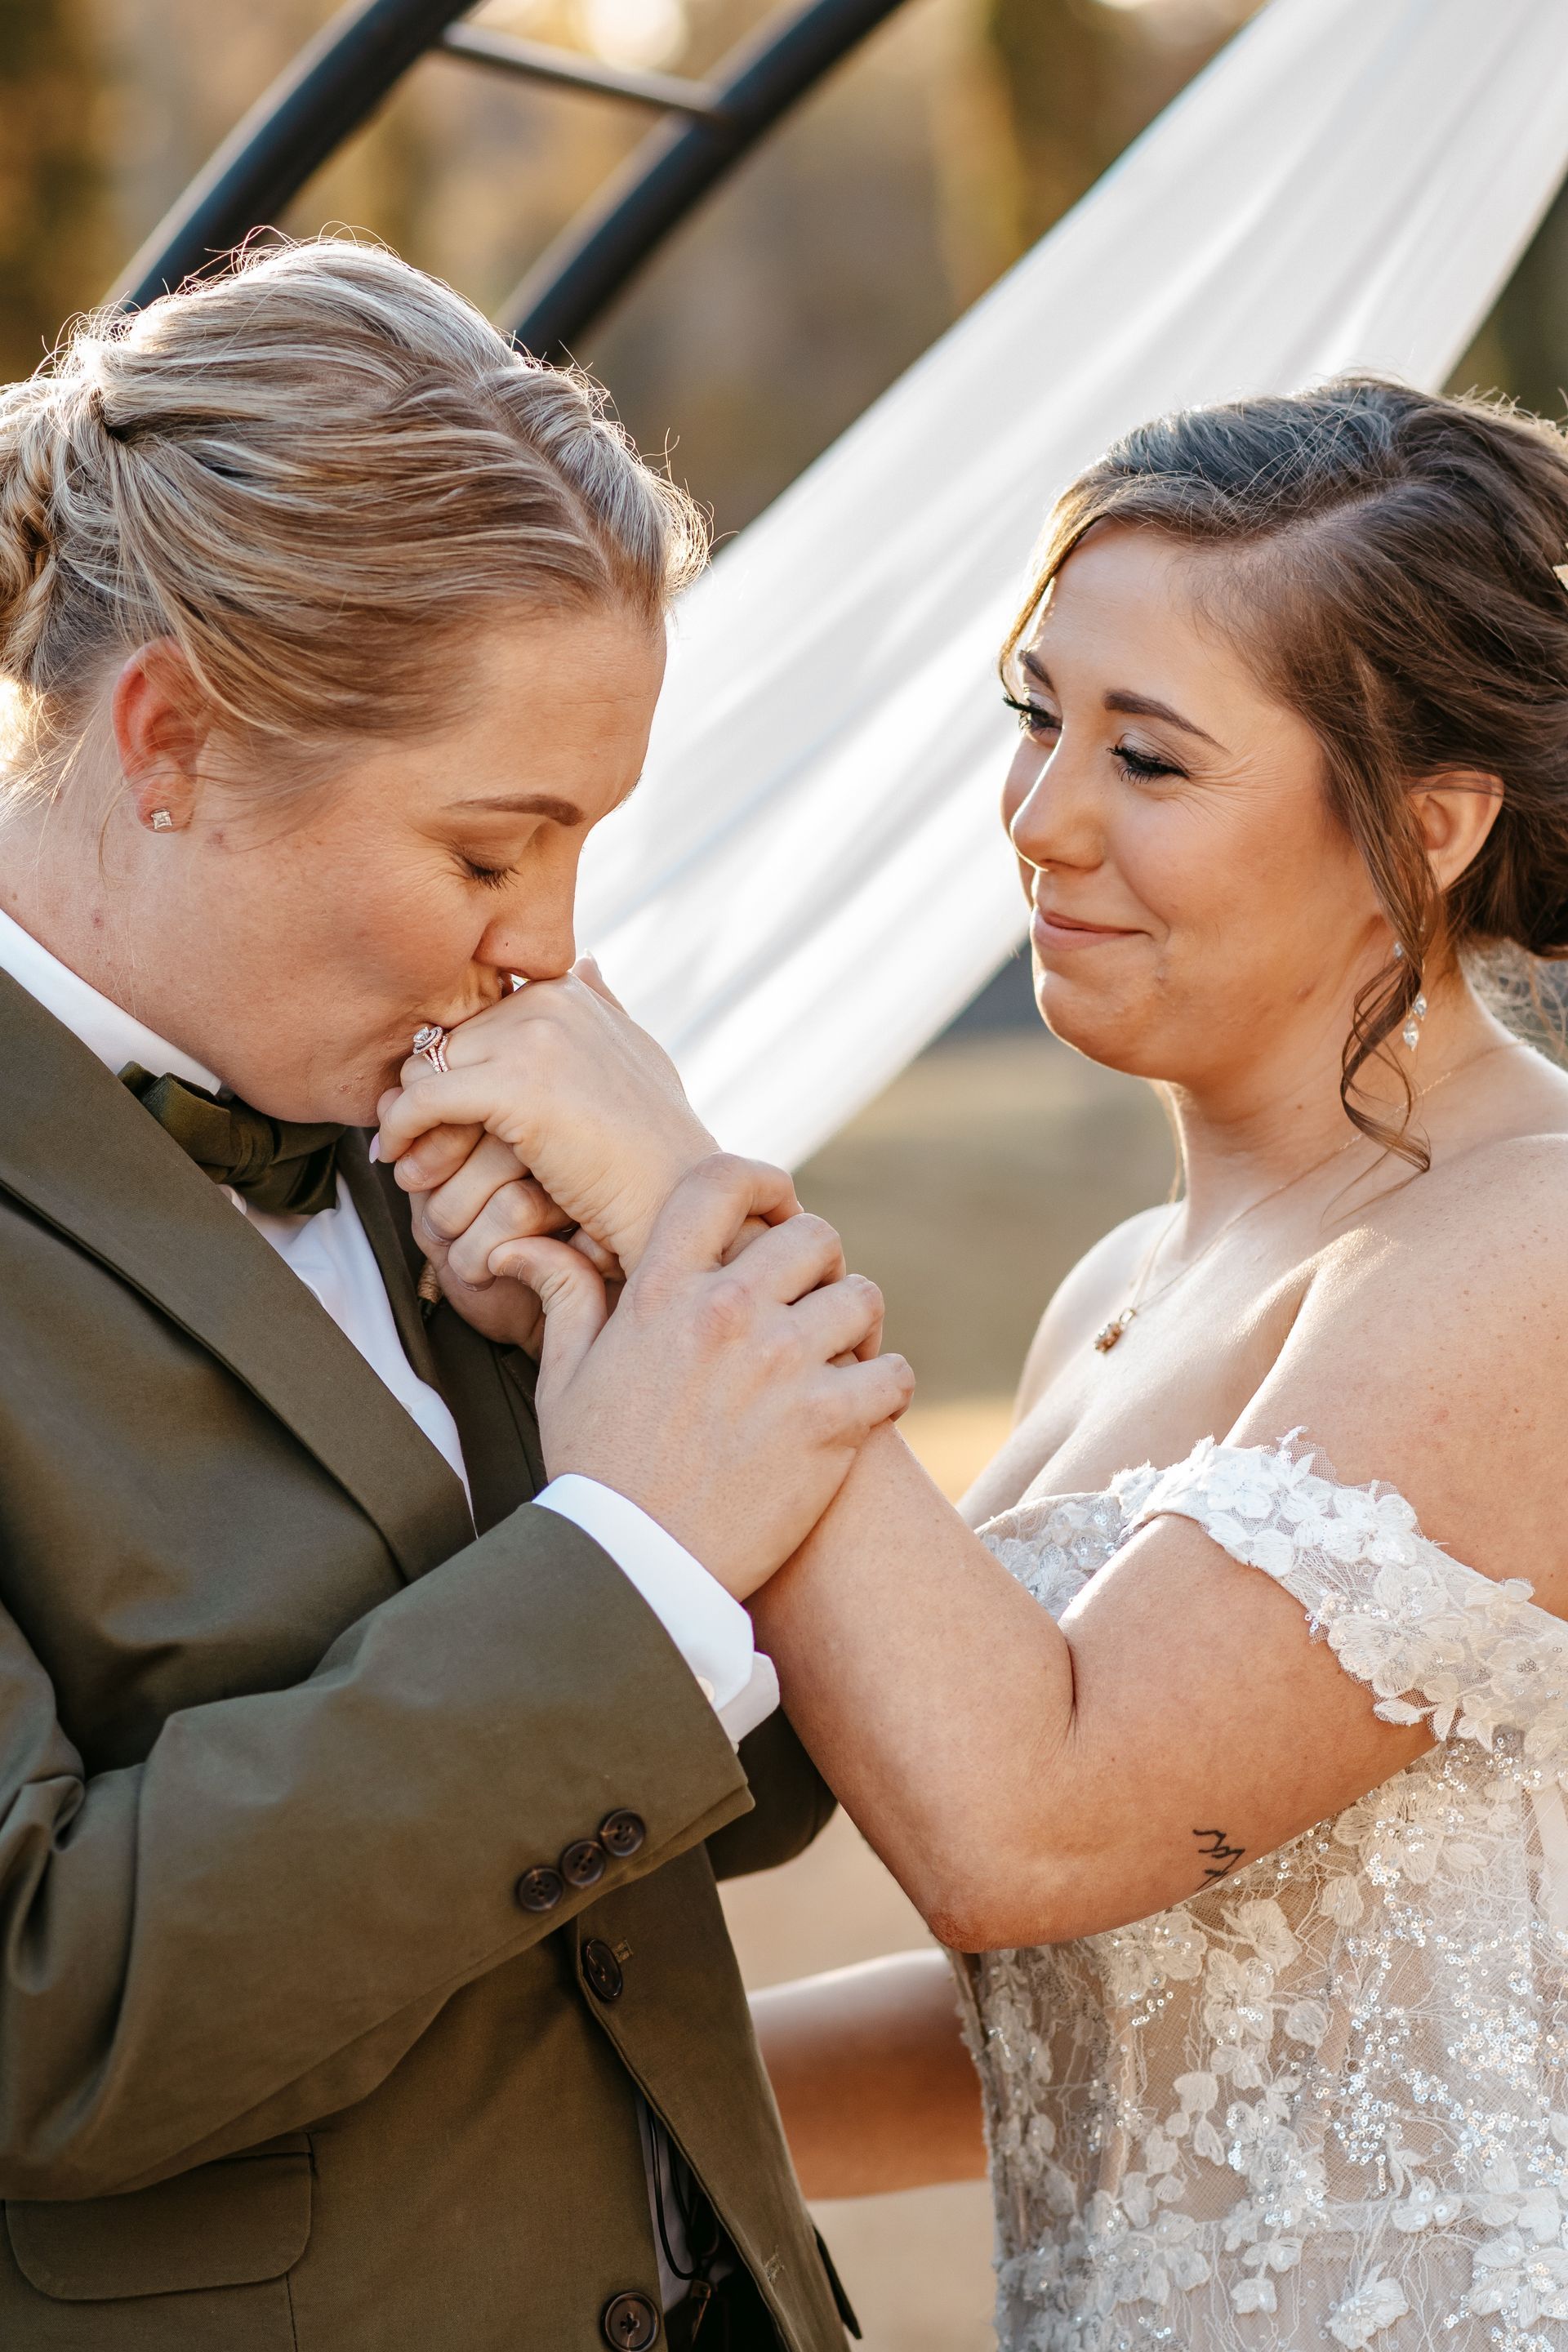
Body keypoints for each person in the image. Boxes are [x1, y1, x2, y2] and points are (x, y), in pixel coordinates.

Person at [434, 379, 1568, 2350]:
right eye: (1040, 719)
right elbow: (1104, 2001)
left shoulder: (1530, 1244)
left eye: (1150, 758)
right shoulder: (1121, 1287)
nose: (1042, 820)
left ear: (1430, 824)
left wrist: (685, 1199)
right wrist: (491, 2122)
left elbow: (1029, 1829)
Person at [0, 237, 912, 2352]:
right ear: (170, 738)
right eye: (492, 852)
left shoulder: (437, 1128)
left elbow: (723, 1821)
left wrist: (641, 1333)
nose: (551, 948)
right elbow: (44, 2004)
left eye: (585, 845)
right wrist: (632, 1554)